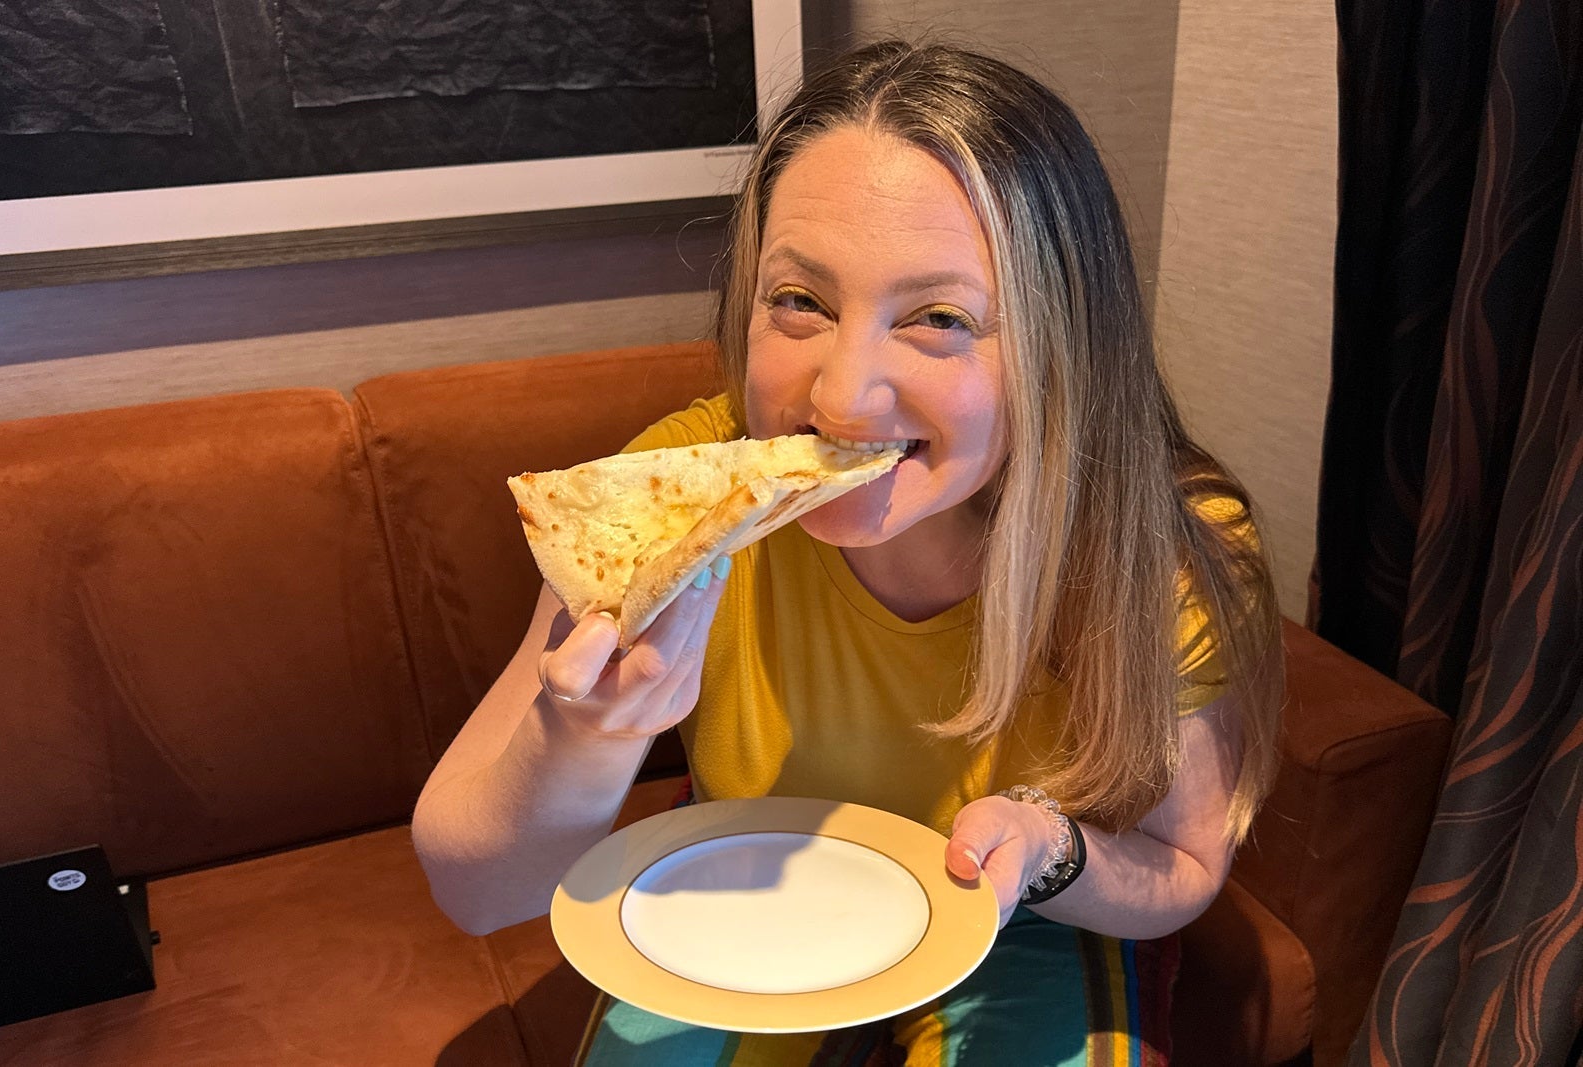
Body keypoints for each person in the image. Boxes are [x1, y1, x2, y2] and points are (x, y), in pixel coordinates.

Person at [411, 39, 1283, 1066]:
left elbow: (1182, 862)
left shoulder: (1163, 548)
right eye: (801, 301)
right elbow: (475, 889)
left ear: (1062, 347)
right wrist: (586, 735)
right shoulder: (679, 500)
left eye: (939, 317)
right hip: (737, 890)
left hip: (1022, 925)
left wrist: (1052, 853)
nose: (838, 397)